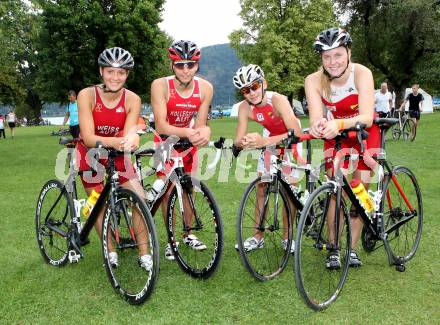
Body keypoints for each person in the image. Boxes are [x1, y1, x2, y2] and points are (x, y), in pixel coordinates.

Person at [305, 27, 380, 268]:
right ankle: (334, 247)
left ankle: (353, 248)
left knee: (359, 190)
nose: (332, 62)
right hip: (335, 135)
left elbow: (367, 116)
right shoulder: (313, 80)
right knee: (334, 189)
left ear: (348, 52)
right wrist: (317, 126)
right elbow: (316, 117)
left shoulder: (362, 73)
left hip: (364, 133)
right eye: (326, 56)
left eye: (337, 54)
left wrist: (337, 123)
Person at [77, 47, 152, 270]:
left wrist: (132, 138)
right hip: (91, 154)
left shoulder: (133, 99)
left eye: (121, 73)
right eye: (110, 71)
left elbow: (129, 132)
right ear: (101, 71)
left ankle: (144, 252)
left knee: (139, 198)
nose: (115, 77)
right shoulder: (87, 95)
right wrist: (118, 141)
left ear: (127, 74)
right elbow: (89, 138)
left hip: (118, 153)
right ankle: (109, 251)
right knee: (98, 204)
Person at [150, 39, 213, 260]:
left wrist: (205, 132)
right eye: (180, 65)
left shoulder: (205, 88)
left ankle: (187, 234)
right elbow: (161, 125)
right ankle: (171, 240)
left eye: (190, 64)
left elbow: (202, 123)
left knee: (188, 188)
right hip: (165, 142)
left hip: (188, 143)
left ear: (197, 65)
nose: (185, 70)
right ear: (172, 65)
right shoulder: (160, 85)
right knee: (167, 193)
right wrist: (192, 132)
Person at [232, 64, 303, 252]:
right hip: (270, 142)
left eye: (254, 86)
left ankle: (288, 238)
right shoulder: (244, 108)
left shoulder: (277, 99)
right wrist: (244, 141)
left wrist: (263, 140)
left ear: (264, 83)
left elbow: (295, 132)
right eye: (245, 90)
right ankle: (257, 236)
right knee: (261, 188)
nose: (251, 93)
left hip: (292, 142)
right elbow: (237, 140)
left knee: (290, 193)